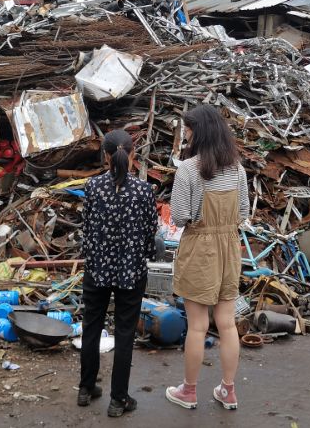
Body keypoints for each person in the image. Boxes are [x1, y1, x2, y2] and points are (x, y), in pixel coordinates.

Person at [166, 105, 249, 410]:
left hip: (199, 248)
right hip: (229, 247)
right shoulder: (237, 169)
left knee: (198, 326)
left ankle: (189, 392)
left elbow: (179, 216)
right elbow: (243, 212)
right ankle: (228, 390)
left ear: (197, 132)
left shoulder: (188, 169)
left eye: (187, 130)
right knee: (227, 323)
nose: (185, 135)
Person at [78, 129, 157, 417]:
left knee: (91, 327)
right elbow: (150, 233)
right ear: (133, 154)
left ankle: (86, 389)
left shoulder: (93, 187)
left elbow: (87, 228)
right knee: (124, 334)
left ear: (106, 155)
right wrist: (144, 255)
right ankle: (118, 399)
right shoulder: (144, 191)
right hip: (130, 273)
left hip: (97, 270)